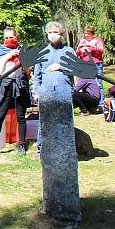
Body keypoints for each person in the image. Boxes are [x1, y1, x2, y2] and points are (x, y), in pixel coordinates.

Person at [0, 27, 31, 156]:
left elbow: (28, 69)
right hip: (5, 86)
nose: (9, 40)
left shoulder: (22, 50)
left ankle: (21, 144)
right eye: (6, 38)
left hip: (19, 85)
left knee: (20, 116)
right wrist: (9, 55)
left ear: (16, 37)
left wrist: (23, 60)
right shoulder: (1, 50)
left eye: (11, 37)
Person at [30, 21, 77, 156]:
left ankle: (67, 151)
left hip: (64, 90)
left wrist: (60, 66)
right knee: (44, 122)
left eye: (55, 32)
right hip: (46, 91)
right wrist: (36, 92)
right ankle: (41, 150)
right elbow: (37, 75)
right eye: (50, 32)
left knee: (65, 121)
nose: (52, 35)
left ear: (61, 34)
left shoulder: (69, 51)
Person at [76, 25, 105, 111]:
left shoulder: (97, 41)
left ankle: (101, 104)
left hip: (96, 64)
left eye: (88, 33)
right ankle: (89, 106)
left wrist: (92, 49)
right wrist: (80, 50)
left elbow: (101, 50)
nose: (87, 35)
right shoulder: (82, 41)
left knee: (98, 84)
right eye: (85, 33)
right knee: (85, 84)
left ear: (92, 34)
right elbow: (78, 52)